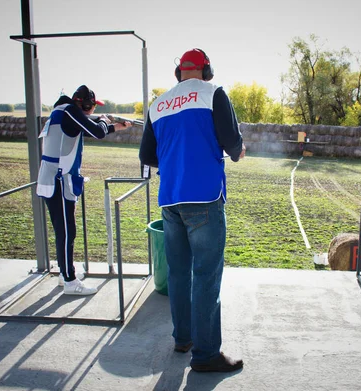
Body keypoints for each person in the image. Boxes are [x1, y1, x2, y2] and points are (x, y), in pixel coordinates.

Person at [139, 48, 246, 372]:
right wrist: (239, 151)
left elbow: (148, 154)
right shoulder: (214, 94)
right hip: (204, 198)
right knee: (206, 277)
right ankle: (206, 354)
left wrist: (175, 161)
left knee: (179, 273)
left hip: (170, 200)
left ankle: (183, 338)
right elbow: (232, 144)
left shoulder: (158, 104)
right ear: (207, 70)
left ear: (179, 73)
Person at [37, 85, 131, 295]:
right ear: (85, 104)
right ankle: (69, 282)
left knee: (64, 231)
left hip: (55, 179)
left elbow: (88, 128)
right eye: (91, 107)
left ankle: (65, 274)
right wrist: (106, 123)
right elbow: (97, 131)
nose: (91, 111)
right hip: (58, 181)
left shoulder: (62, 112)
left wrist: (116, 126)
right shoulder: (70, 111)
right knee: (67, 232)